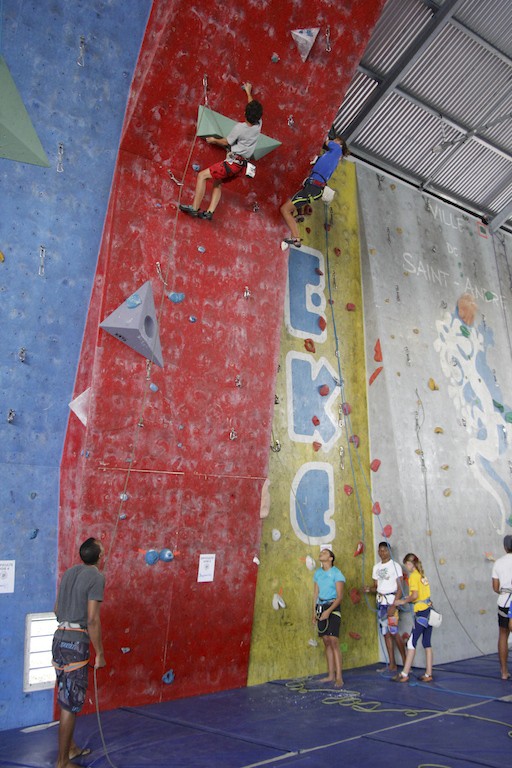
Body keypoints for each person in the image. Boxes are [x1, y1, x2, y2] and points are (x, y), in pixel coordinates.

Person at [52, 538, 106, 768]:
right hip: (76, 645)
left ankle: (71, 749)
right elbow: (92, 619)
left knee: (66, 696)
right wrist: (100, 653)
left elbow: (57, 610)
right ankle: (62, 762)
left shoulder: (69, 573)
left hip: (59, 640)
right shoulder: (97, 577)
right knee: (70, 704)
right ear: (100, 557)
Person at [179, 82, 263, 220]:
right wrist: (248, 92)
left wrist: (213, 140)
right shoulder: (259, 124)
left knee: (202, 176)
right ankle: (210, 212)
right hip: (240, 166)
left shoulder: (240, 128)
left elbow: (226, 142)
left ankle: (194, 208)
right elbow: (252, 106)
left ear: (244, 113)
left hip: (232, 163)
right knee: (218, 182)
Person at [280, 134, 349, 247]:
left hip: (313, 188)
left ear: (340, 145)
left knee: (285, 209)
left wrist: (326, 136)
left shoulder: (337, 151)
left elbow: (327, 141)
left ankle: (296, 238)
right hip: (313, 187)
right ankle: (295, 236)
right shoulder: (330, 157)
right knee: (290, 206)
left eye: (336, 141)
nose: (333, 141)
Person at [364, 542, 406, 672]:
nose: (382, 553)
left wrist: (394, 605)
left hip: (391, 601)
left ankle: (406, 663)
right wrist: (368, 589)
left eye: (385, 550)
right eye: (380, 550)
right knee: (386, 633)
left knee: (394, 632)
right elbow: (376, 587)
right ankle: (392, 664)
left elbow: (400, 587)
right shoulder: (376, 567)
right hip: (381, 603)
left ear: (389, 551)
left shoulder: (395, 566)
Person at [392, 553, 434, 683]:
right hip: (429, 611)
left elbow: (415, 595)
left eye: (407, 565)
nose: (407, 567)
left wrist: (403, 601)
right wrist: (409, 599)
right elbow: (421, 595)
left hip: (421, 613)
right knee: (427, 643)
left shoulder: (414, 576)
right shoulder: (422, 575)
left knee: (411, 642)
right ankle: (428, 673)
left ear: (410, 564)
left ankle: (404, 673)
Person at [313, 546, 345, 687]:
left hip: (333, 607)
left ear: (331, 558)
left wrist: (328, 611)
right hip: (321, 607)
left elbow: (340, 597)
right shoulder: (318, 573)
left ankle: (339, 677)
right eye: (321, 552)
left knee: (333, 640)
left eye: (325, 552)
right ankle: (330, 675)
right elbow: (315, 594)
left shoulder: (337, 573)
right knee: (326, 640)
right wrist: (314, 612)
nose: (322, 553)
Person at [491, 534, 512, 680]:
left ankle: (504, 672)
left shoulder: (498, 563)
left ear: (505, 547)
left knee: (503, 635)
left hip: (504, 601)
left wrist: (505, 591)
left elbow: (495, 587)